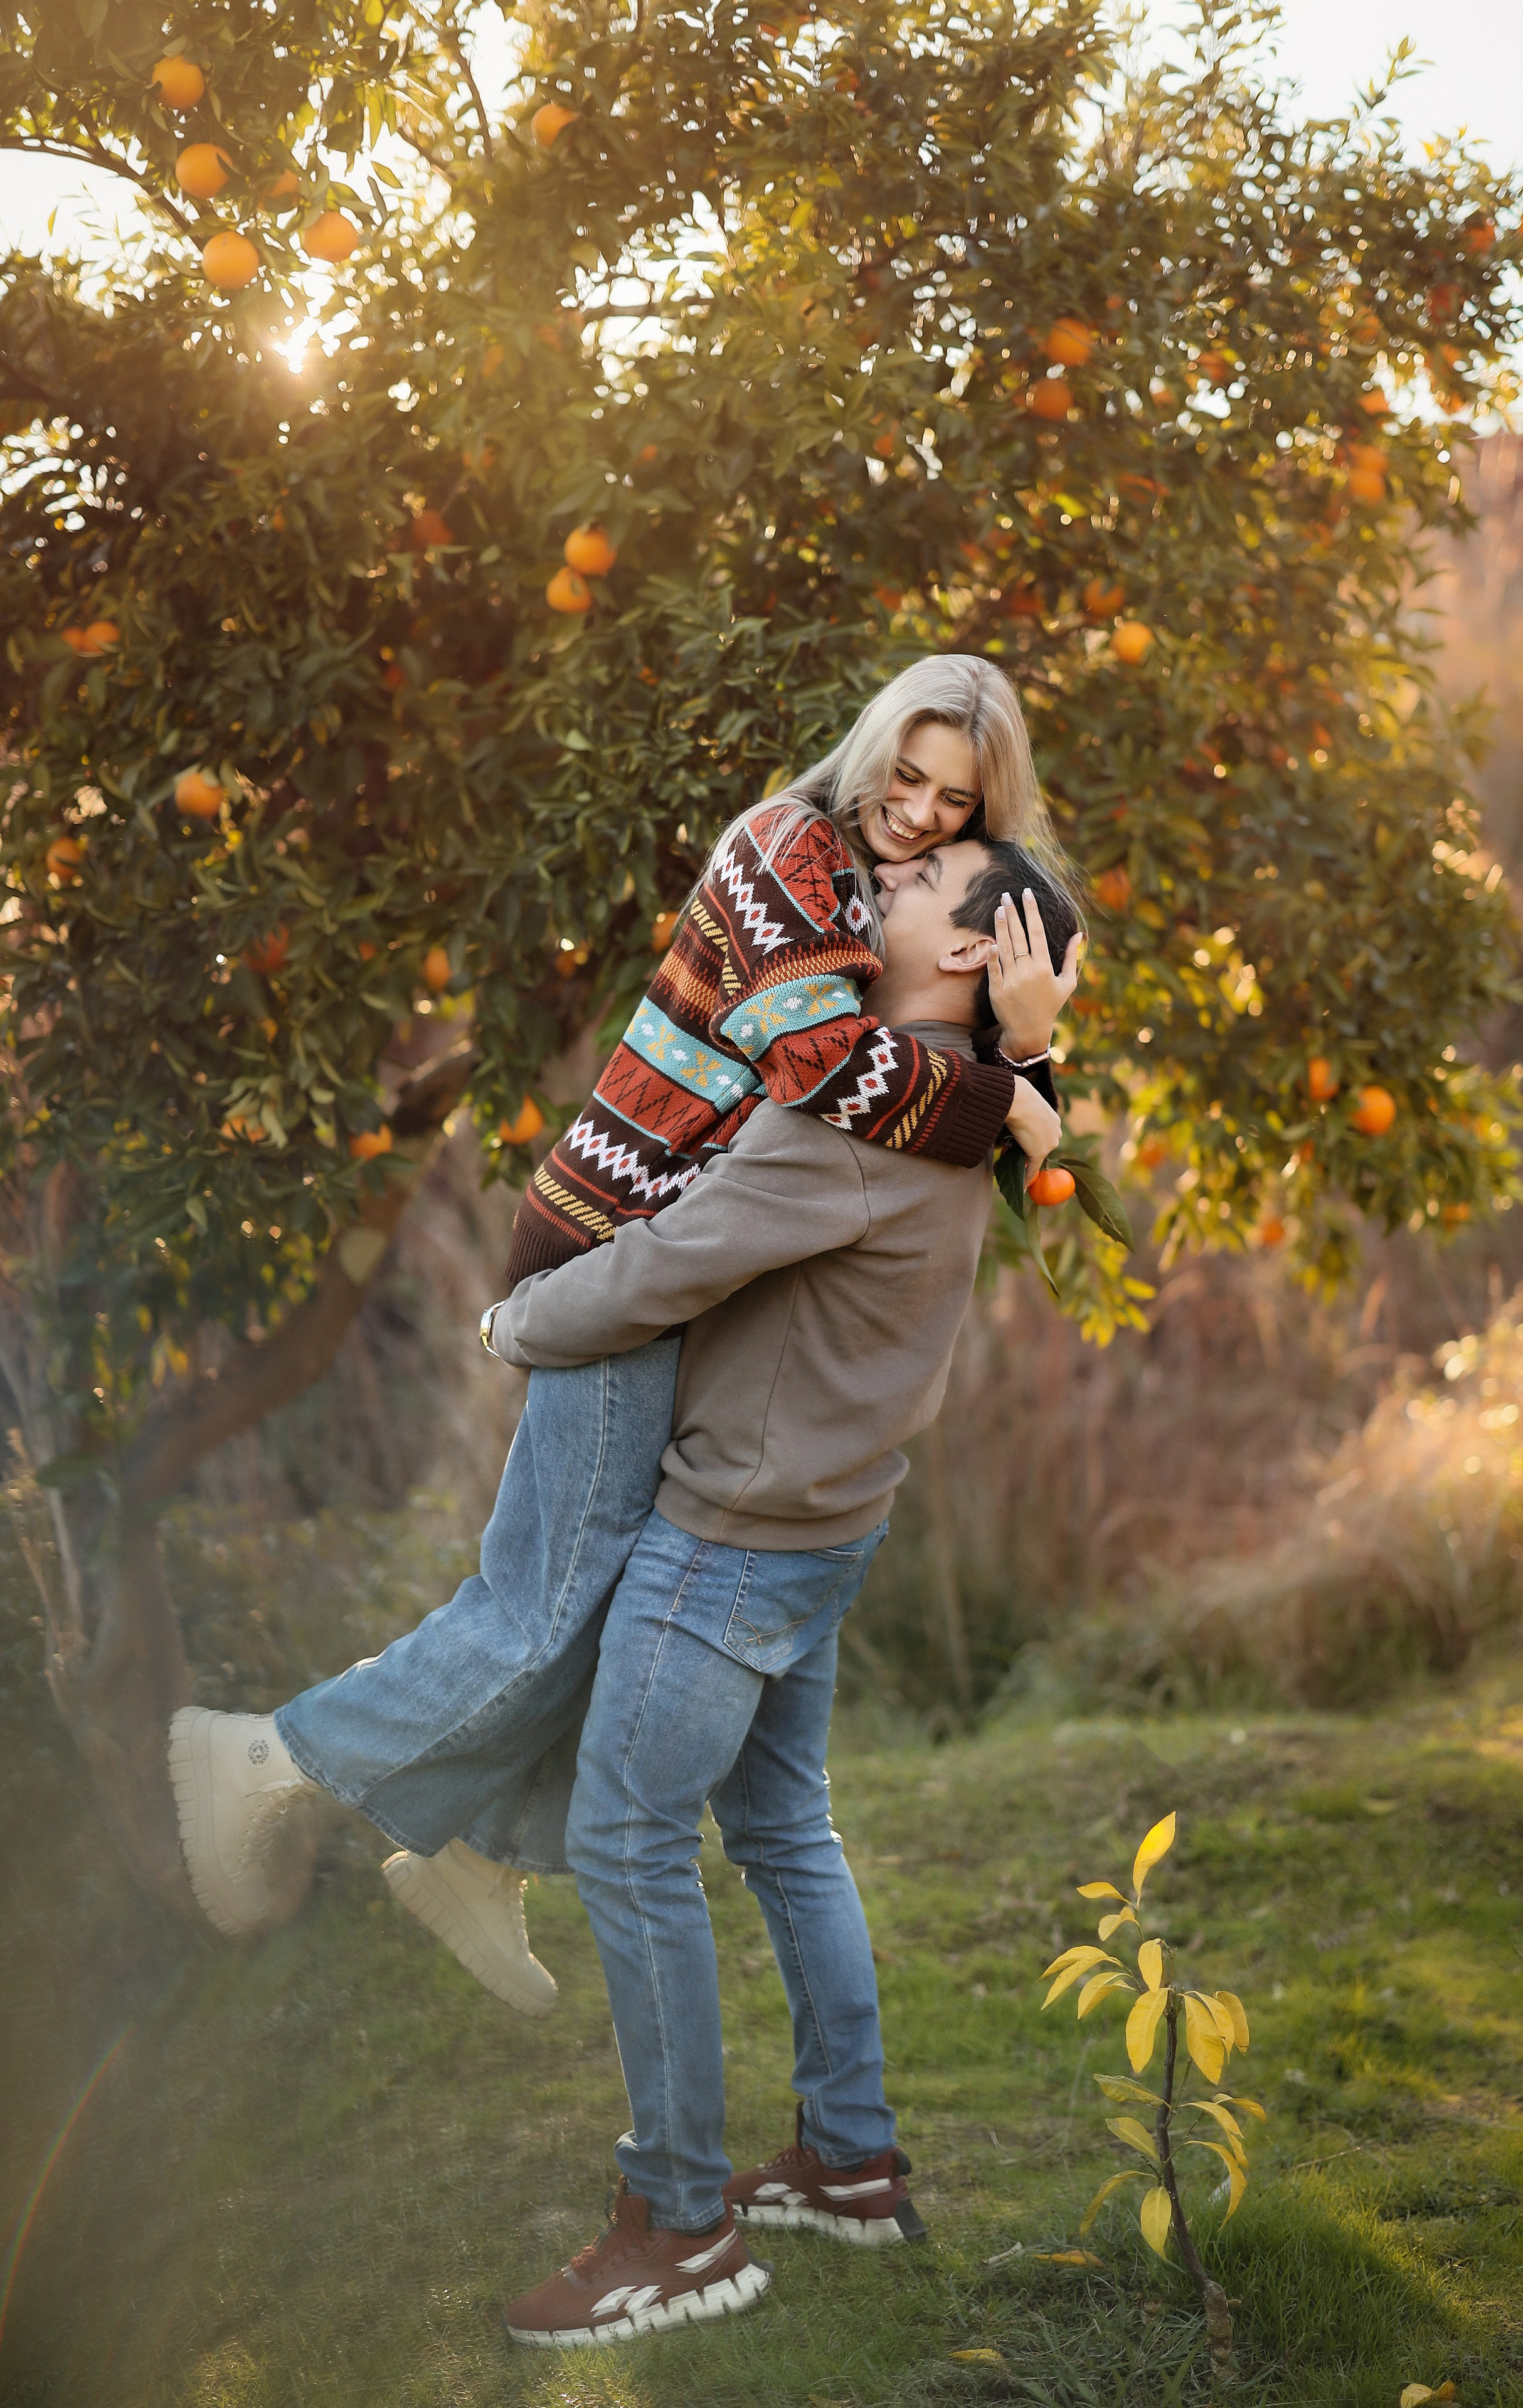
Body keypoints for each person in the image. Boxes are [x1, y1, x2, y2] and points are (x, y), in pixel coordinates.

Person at [167, 657, 1072, 2011]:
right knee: (543, 1609)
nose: (920, 813)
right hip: (617, 1245)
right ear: (872, 742)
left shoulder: (883, 894)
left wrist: (1025, 1064)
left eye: (954, 803)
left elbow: (909, 1071)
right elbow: (824, 1072)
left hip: (682, 1266)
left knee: (604, 1607)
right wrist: (1010, 1097)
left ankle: (480, 1854)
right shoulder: (786, 850)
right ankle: (265, 1757)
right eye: (908, 773)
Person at [484, 837, 1083, 2347]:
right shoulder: (971, 1110)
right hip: (825, 1519)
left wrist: (519, 1322)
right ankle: (846, 2155)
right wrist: (1030, 1045)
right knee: (778, 1824)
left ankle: (678, 2224)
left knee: (627, 1837)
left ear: (962, 949)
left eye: (920, 883)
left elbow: (673, 1259)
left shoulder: (871, 1119)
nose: (874, 891)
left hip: (736, 1533)